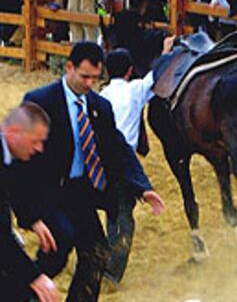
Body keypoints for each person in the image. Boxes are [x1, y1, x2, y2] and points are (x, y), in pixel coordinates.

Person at [19, 41, 165, 301]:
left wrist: (143, 188)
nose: (88, 84)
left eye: (95, 79)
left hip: (79, 193)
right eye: (84, 76)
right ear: (69, 67)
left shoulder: (100, 106)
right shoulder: (39, 102)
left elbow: (119, 149)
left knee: (96, 253)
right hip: (49, 194)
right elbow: (22, 163)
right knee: (56, 253)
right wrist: (30, 213)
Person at [99, 36, 174, 287]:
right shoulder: (135, 90)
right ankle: (111, 273)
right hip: (122, 165)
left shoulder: (101, 95)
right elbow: (158, 73)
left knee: (111, 215)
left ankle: (100, 264)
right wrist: (165, 50)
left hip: (97, 164)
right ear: (130, 70)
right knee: (123, 219)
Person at [0, 102, 60, 302]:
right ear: (13, 132)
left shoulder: (9, 153)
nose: (40, 148)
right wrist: (33, 276)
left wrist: (32, 220)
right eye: (35, 141)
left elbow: (14, 188)